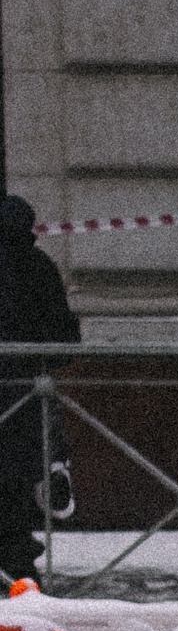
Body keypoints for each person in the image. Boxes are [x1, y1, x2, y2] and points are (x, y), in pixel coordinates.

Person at [0, 196, 78, 584]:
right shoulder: (38, 267)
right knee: (14, 485)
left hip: (18, 397)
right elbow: (65, 340)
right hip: (23, 398)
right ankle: (18, 577)